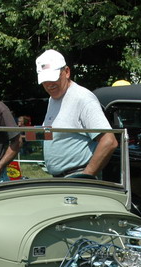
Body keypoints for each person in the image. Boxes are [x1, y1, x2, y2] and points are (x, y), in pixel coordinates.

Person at [36, 49, 118, 177]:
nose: (49, 85)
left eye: (53, 78)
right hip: (61, 179)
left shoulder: (83, 98)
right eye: (45, 81)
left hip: (77, 179)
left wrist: (86, 176)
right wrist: (25, 135)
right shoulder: (53, 99)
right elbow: (54, 133)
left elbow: (109, 141)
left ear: (67, 72)